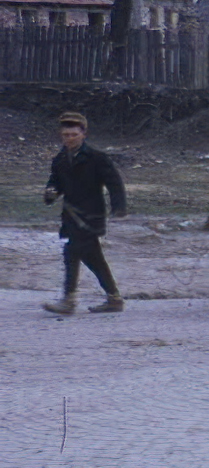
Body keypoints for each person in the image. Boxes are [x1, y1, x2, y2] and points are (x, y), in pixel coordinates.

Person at [41, 112, 127, 315]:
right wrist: (50, 193)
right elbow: (54, 183)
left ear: (83, 134)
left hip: (91, 216)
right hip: (70, 216)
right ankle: (114, 298)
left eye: (73, 134)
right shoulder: (60, 159)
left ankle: (68, 300)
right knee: (93, 257)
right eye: (65, 135)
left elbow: (115, 183)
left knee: (71, 252)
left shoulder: (97, 158)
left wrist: (118, 207)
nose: (69, 139)